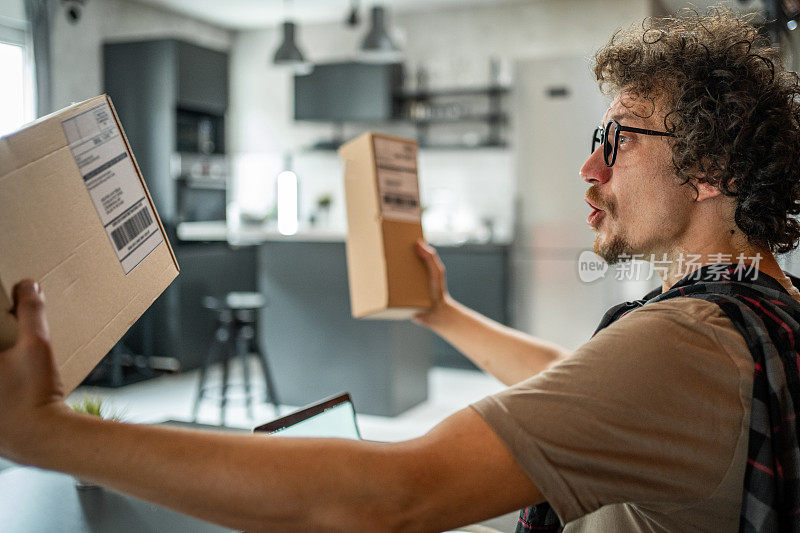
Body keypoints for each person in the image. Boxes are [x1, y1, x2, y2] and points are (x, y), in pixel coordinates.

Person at [2, 8, 800, 532]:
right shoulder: (755, 306)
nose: (590, 165)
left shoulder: (689, 343)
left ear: (710, 168)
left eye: (619, 138)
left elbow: (390, 495)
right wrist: (440, 313)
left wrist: (47, 432)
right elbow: (586, 383)